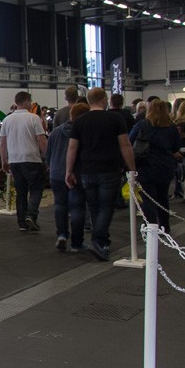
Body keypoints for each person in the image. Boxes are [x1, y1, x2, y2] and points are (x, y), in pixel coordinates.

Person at [66, 87, 136, 261]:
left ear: (89, 101)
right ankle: (98, 239)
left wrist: (69, 170)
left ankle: (102, 242)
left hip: (87, 170)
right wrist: (132, 168)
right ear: (104, 99)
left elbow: (72, 148)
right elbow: (125, 145)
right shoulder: (115, 118)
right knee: (107, 207)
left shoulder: (80, 121)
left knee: (94, 206)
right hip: (109, 169)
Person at [129, 100, 181, 232]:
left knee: (148, 199)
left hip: (146, 165)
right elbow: (176, 147)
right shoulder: (172, 127)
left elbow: (130, 140)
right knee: (163, 197)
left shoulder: (142, 125)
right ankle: (165, 226)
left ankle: (151, 228)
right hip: (165, 165)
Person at [0, 91, 48, 232]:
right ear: (26, 101)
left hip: (15, 160)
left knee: (20, 191)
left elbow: (2, 143)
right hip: (31, 159)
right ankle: (31, 215)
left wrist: (4, 161)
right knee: (36, 188)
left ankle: (22, 223)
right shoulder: (34, 118)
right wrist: (48, 157)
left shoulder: (7, 120)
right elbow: (41, 140)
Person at [46, 102, 89, 251]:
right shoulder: (84, 133)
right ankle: (77, 243)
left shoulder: (56, 132)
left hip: (56, 173)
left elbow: (48, 153)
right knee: (77, 208)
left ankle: (62, 235)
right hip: (75, 174)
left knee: (60, 205)